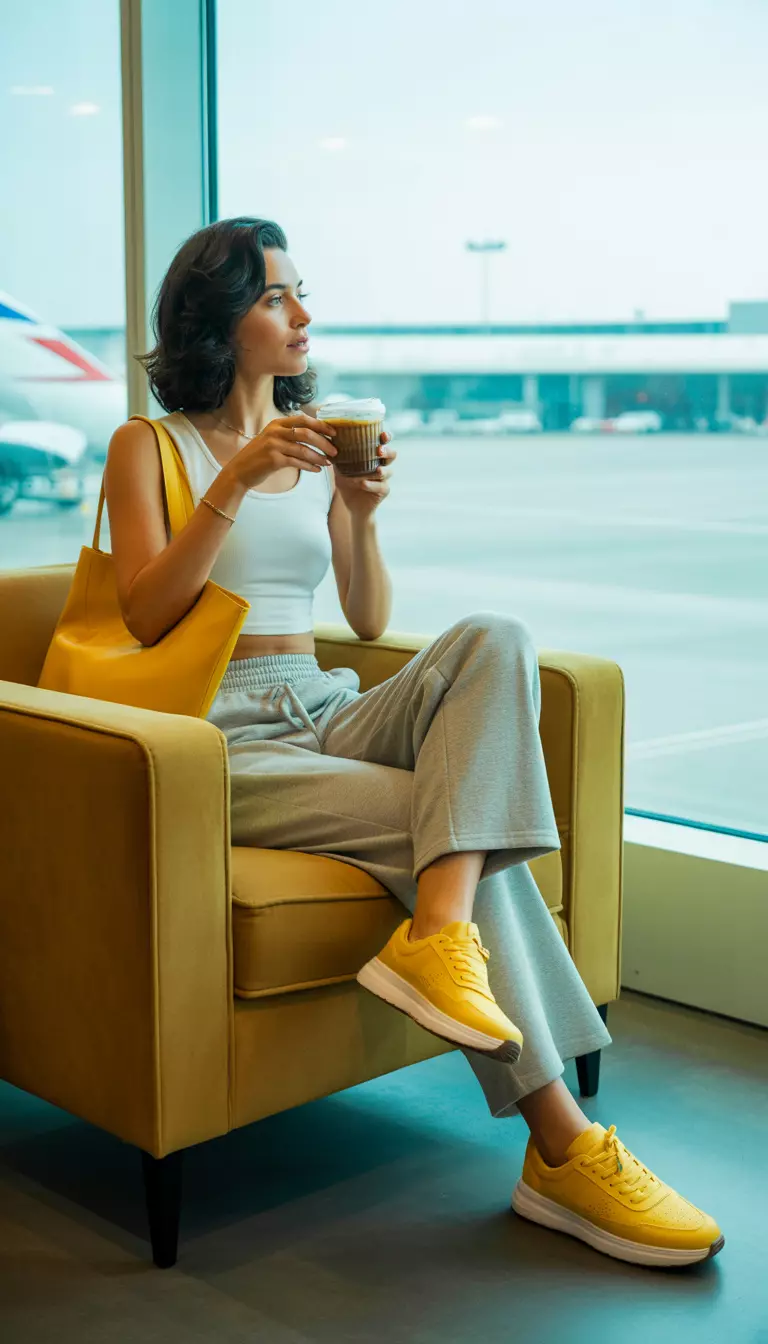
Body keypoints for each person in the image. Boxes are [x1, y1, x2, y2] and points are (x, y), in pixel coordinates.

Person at [105, 216, 723, 1269]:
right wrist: (234, 481)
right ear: (219, 317)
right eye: (275, 297)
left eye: (300, 293)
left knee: (498, 637)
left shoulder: (313, 444)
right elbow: (145, 614)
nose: (303, 315)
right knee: (449, 827)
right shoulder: (149, 446)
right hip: (218, 735)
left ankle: (437, 940)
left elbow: (364, 611)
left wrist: (358, 510)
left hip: (323, 700)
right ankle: (563, 1148)